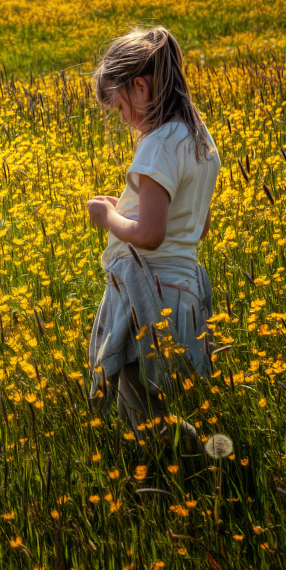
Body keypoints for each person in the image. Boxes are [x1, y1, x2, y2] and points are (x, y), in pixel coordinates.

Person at [86, 26, 220, 442]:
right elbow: (199, 226)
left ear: (140, 86)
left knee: (143, 411)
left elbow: (149, 234)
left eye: (121, 108)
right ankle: (197, 465)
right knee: (152, 403)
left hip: (149, 299)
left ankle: (194, 464)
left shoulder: (157, 144)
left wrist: (108, 216)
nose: (123, 119)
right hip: (185, 296)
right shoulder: (199, 140)